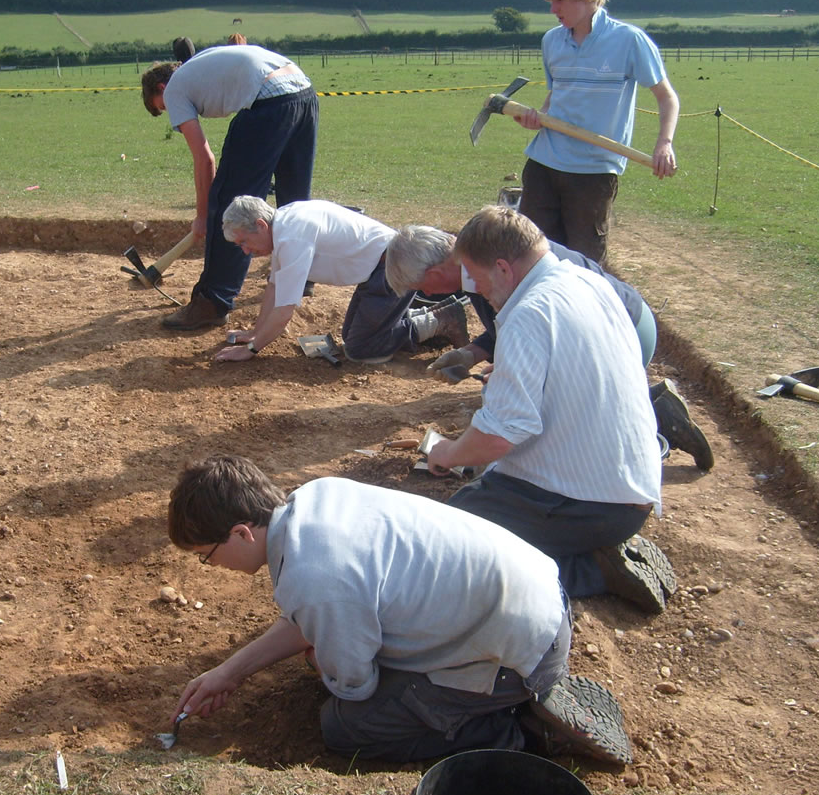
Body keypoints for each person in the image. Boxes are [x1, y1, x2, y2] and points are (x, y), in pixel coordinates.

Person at [165, 453, 633, 765]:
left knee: (346, 726)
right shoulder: (317, 499)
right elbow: (312, 618)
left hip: (519, 657)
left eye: (208, 555)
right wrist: (230, 672)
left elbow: (355, 684)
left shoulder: (315, 579)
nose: (213, 566)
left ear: (242, 534)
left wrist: (324, 664)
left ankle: (522, 734)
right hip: (541, 599)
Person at [425, 206, 678, 613]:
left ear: (504, 269)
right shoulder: (585, 280)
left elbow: (497, 436)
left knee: (453, 543)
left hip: (591, 504)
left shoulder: (527, 314)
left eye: (476, 274)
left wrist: (448, 453)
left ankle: (592, 568)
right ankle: (593, 548)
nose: (476, 288)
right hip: (629, 489)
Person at [384, 219, 713, 470]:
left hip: (626, 329)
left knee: (555, 424)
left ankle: (655, 418)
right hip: (619, 323)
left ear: (436, 269)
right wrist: (471, 353)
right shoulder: (478, 266)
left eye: (420, 285)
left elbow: (536, 324)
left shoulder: (488, 268)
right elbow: (517, 327)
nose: (427, 294)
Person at [511, 0, 679, 264]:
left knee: (584, 265)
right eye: (551, 1)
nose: (553, 9)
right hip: (543, 165)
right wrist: (538, 118)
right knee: (531, 258)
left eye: (560, 0)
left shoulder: (629, 41)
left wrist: (664, 144)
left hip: (593, 172)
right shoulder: (551, 41)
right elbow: (555, 96)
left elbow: (667, 98)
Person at [141, 45, 319, 330]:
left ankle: (213, 301)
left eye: (162, 107)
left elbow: (204, 159)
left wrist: (203, 216)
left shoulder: (175, 89)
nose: (171, 114)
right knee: (293, 196)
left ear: (162, 87)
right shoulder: (197, 67)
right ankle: (302, 276)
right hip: (303, 92)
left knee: (231, 204)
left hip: (268, 102)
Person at [213, 196, 469, 364]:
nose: (245, 251)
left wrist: (251, 350)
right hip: (376, 271)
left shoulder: (292, 237)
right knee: (351, 336)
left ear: (260, 225)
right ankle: (417, 318)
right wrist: (254, 333)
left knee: (362, 350)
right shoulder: (286, 223)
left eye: (244, 242)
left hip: (394, 269)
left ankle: (440, 321)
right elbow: (275, 286)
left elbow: (284, 310)